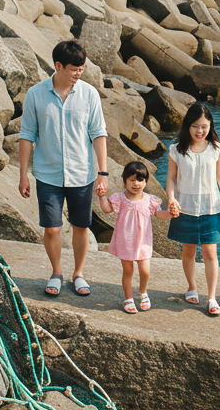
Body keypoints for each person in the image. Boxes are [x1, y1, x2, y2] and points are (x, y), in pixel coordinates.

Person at [17, 41, 109, 299]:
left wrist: (103, 173)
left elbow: (98, 133)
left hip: (82, 174)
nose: (79, 74)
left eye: (82, 69)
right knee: (52, 228)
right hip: (47, 174)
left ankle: (78, 273)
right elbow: (27, 135)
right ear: (58, 66)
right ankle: (56, 272)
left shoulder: (89, 94)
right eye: (74, 69)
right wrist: (23, 175)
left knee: (81, 226)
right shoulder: (35, 94)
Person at [165, 102, 220, 316]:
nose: (199, 131)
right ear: (188, 125)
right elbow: (171, 178)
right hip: (184, 207)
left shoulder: (216, 149)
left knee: (210, 252)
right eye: (195, 126)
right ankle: (192, 287)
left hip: (210, 207)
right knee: (188, 250)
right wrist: (171, 199)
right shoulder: (176, 150)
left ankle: (211, 298)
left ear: (210, 126)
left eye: (204, 126)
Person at [99, 161, 172, 313]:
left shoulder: (149, 200)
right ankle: (128, 298)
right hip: (125, 241)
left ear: (146, 182)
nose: (136, 183)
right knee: (128, 272)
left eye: (140, 180)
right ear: (124, 181)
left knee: (145, 271)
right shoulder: (120, 198)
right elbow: (106, 209)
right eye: (132, 179)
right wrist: (102, 196)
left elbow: (159, 213)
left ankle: (143, 292)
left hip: (143, 242)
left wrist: (171, 213)